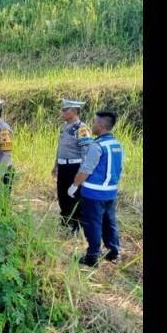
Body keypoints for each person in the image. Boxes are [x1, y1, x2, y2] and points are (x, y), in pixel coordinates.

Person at [68, 111, 123, 267]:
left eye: (94, 123)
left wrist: (74, 186)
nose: (92, 126)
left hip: (94, 193)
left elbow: (86, 169)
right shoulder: (117, 145)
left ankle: (92, 257)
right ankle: (113, 252)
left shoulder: (96, 145)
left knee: (93, 224)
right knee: (109, 221)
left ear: (101, 125)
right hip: (111, 192)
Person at [52, 98, 94, 234]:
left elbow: (86, 153)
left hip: (75, 167)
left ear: (75, 111)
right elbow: (60, 148)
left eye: (65, 110)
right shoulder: (64, 127)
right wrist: (56, 164)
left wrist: (81, 172)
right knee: (62, 195)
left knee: (74, 196)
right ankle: (65, 222)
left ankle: (76, 226)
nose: (62, 112)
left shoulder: (81, 128)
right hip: (63, 166)